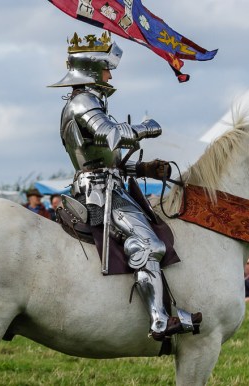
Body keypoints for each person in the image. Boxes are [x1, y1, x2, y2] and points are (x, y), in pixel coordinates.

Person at [49, 31, 201, 340]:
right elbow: (111, 135)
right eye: (106, 68)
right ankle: (159, 319)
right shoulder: (83, 102)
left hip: (109, 182)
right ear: (92, 68)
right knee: (150, 245)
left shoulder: (90, 101)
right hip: (100, 192)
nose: (109, 74)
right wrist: (146, 128)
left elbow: (107, 158)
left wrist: (144, 167)